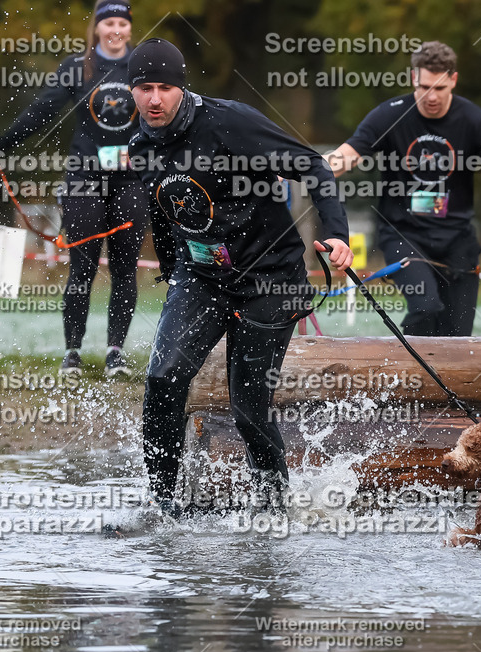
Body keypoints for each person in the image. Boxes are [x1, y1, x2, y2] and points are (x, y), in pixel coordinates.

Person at [126, 38, 353, 513]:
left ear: (180, 88)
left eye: (164, 87)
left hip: (270, 279)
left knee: (249, 407)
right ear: (131, 92)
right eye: (143, 88)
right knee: (163, 379)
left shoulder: (229, 122)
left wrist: (336, 234)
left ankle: (272, 511)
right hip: (202, 277)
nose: (153, 99)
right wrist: (172, 270)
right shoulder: (141, 145)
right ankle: (165, 511)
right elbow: (165, 211)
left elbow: (312, 165)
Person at [0, 1, 147, 376]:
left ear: (129, 29)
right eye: (108, 22)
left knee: (125, 268)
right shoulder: (76, 68)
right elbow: (40, 112)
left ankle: (115, 352)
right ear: (97, 28)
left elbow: (174, 113)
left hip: (130, 180)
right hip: (84, 177)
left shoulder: (142, 65)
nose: (115, 29)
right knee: (81, 266)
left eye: (121, 23)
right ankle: (73, 352)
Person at [326, 41, 481, 337]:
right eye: (425, 86)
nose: (431, 96)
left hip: (457, 240)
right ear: (414, 78)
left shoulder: (473, 120)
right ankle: (407, 371)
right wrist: (296, 170)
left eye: (439, 88)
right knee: (426, 307)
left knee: (458, 337)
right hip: (403, 235)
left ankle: (441, 381)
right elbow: (342, 159)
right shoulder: (390, 115)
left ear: (453, 80)